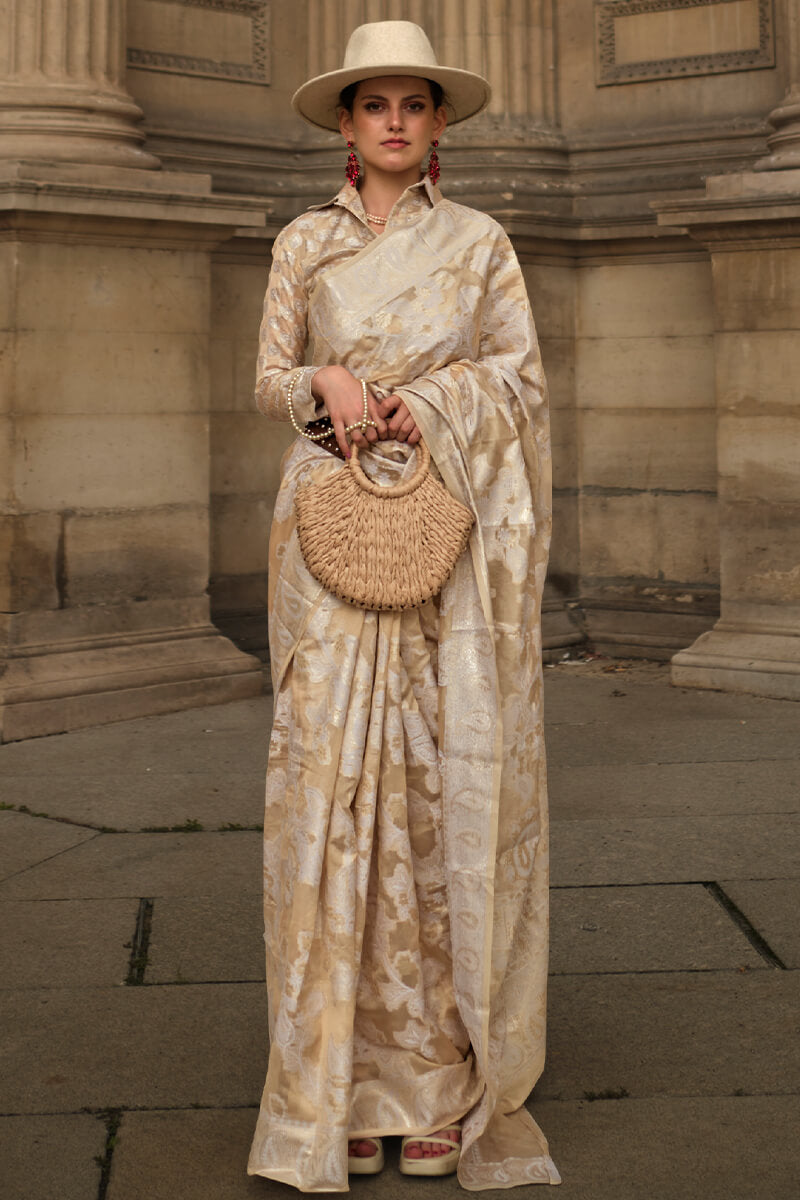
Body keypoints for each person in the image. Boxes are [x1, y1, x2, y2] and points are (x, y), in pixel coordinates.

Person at [247, 20, 560, 1193]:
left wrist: (427, 406)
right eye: (371, 104)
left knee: (437, 790)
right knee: (327, 789)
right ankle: (329, 1089)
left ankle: (431, 1084)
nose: (391, 122)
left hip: (446, 536)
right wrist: (322, 386)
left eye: (411, 105)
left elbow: (517, 382)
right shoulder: (300, 245)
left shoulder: (480, 244)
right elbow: (267, 375)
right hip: (325, 535)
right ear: (344, 124)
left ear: (435, 126)